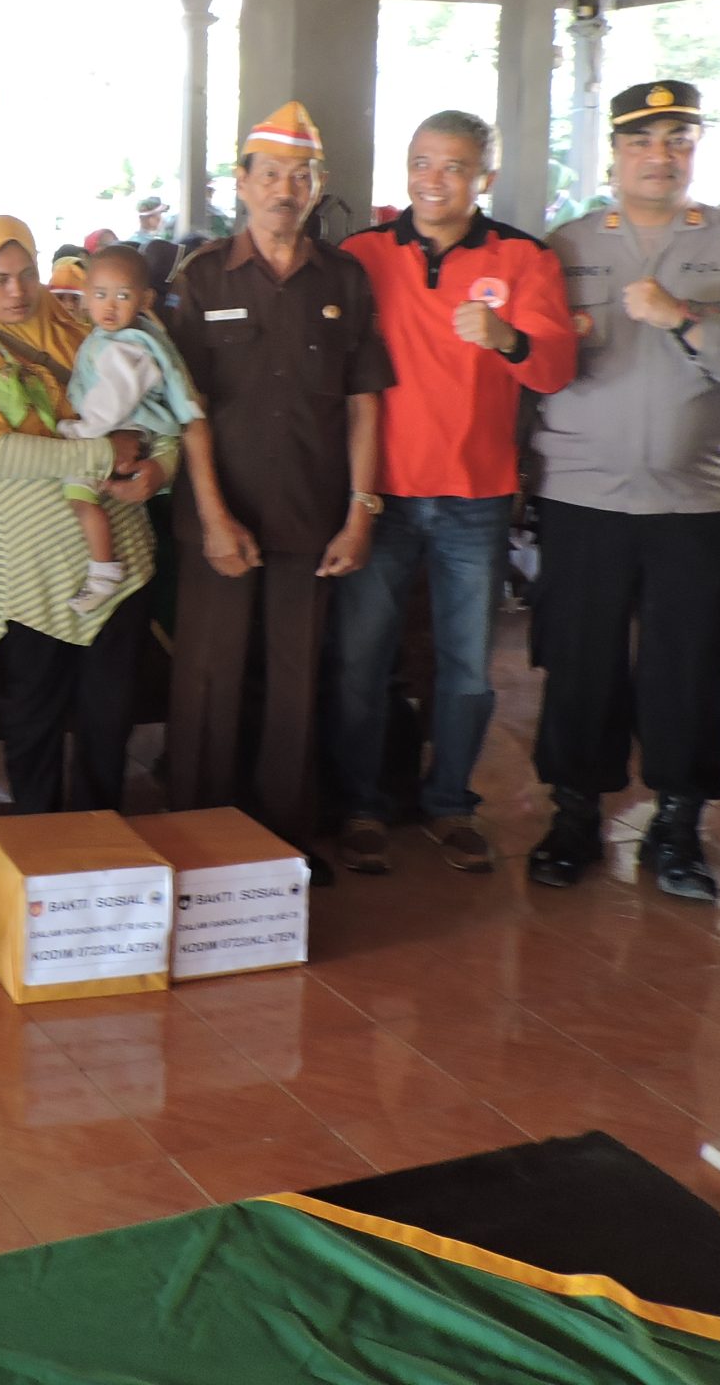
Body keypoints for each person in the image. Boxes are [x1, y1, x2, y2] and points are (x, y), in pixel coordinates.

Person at [526, 82, 720, 899]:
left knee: (689, 666)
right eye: (643, 140)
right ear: (613, 152)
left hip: (695, 501)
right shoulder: (563, 246)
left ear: (695, 149)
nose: (660, 154)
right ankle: (575, 814)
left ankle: (677, 828)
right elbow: (528, 363)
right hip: (582, 497)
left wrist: (688, 318)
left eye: (678, 139)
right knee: (579, 663)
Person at [326, 108, 576, 877]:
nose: (435, 180)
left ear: (484, 179)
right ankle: (361, 805)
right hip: (382, 494)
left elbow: (556, 368)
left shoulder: (524, 258)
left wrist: (505, 337)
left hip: (476, 497)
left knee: (467, 670)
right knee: (360, 662)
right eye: (422, 163)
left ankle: (448, 804)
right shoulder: (362, 255)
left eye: (455, 166)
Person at [165, 104, 392, 874]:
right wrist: (211, 515)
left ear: (318, 186)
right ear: (242, 182)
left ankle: (281, 846)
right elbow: (183, 409)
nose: (284, 190)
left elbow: (365, 402)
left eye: (300, 177)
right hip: (218, 515)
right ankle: (198, 840)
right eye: (269, 175)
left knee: (296, 682)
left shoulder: (345, 280)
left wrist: (361, 513)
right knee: (209, 679)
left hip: (312, 514)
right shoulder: (199, 279)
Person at [0, 216, 173, 814]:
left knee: (107, 717)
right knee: (32, 714)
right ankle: (37, 855)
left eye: (25, 275)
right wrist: (100, 452)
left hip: (119, 559)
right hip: (30, 569)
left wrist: (163, 469)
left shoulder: (85, 328)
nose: (15, 291)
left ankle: (98, 844)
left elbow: (165, 408)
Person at [56, 246, 201, 614]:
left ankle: (104, 572)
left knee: (78, 494)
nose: (110, 306)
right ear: (86, 294)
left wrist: (81, 433)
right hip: (125, 427)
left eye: (123, 296)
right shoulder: (124, 336)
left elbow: (112, 401)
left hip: (125, 426)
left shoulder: (126, 346)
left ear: (145, 298)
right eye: (100, 294)